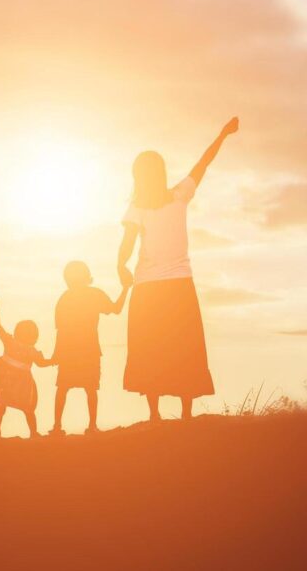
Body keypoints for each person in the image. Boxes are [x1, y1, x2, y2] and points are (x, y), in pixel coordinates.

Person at [116, 117, 239, 421]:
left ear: (138, 176)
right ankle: (185, 412)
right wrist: (222, 134)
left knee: (151, 347)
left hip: (149, 287)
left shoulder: (143, 206)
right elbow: (204, 163)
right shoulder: (178, 195)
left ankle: (155, 414)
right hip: (177, 285)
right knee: (184, 347)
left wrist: (120, 267)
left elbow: (127, 243)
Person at [49, 261, 132, 436]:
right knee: (89, 388)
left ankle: (58, 426)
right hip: (88, 349)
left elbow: (60, 330)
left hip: (71, 350)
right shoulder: (93, 294)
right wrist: (125, 289)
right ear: (87, 277)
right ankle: (91, 426)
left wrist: (57, 354)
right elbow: (116, 309)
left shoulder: (64, 298)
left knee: (64, 388)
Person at [0, 311, 53, 439]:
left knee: (1, 407)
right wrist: (55, 360)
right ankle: (33, 433)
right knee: (28, 409)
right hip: (19, 384)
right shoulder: (30, 350)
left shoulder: (11, 342)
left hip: (8, 382)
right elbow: (42, 363)